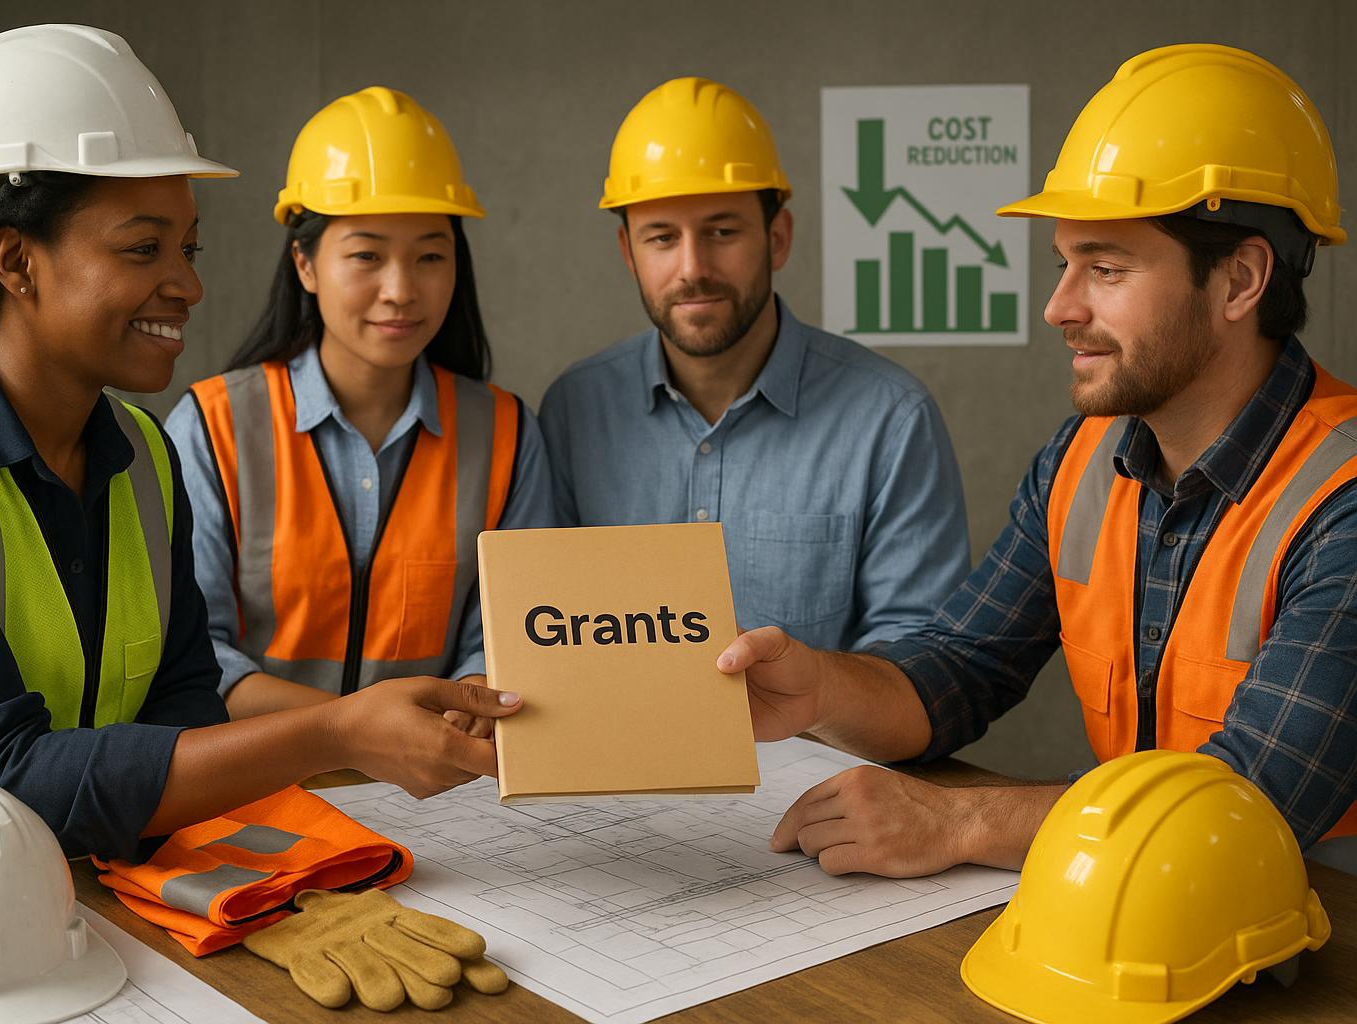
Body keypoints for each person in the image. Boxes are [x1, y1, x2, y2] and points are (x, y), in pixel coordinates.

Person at [0, 26, 520, 861]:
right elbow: (0, 776)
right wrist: (335, 730)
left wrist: (276, 877)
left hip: (59, 901)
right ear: (16, 261)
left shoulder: (142, 454)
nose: (188, 284)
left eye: (186, 248)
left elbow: (184, 706)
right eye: (143, 248)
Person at [719, 43, 1357, 876]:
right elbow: (960, 670)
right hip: (1126, 910)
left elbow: (1249, 802)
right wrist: (820, 690)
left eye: (1106, 267)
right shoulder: (1084, 460)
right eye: (1065, 264)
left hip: (1318, 936)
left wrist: (957, 822)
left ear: (1239, 279)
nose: (1059, 306)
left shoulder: (1340, 497)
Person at [538, 77, 968, 652]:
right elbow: (544, 627)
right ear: (628, 253)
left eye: (722, 231)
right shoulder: (575, 410)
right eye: (661, 238)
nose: (693, 267)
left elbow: (917, 655)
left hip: (823, 744)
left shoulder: (889, 420)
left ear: (778, 237)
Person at [165, 87, 554, 722]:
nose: (401, 290)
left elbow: (514, 639)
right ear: (306, 263)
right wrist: (354, 734)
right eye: (367, 255)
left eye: (430, 255)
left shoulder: (507, 435)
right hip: (257, 788)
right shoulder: (215, 429)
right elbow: (190, 654)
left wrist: (470, 699)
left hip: (442, 794)